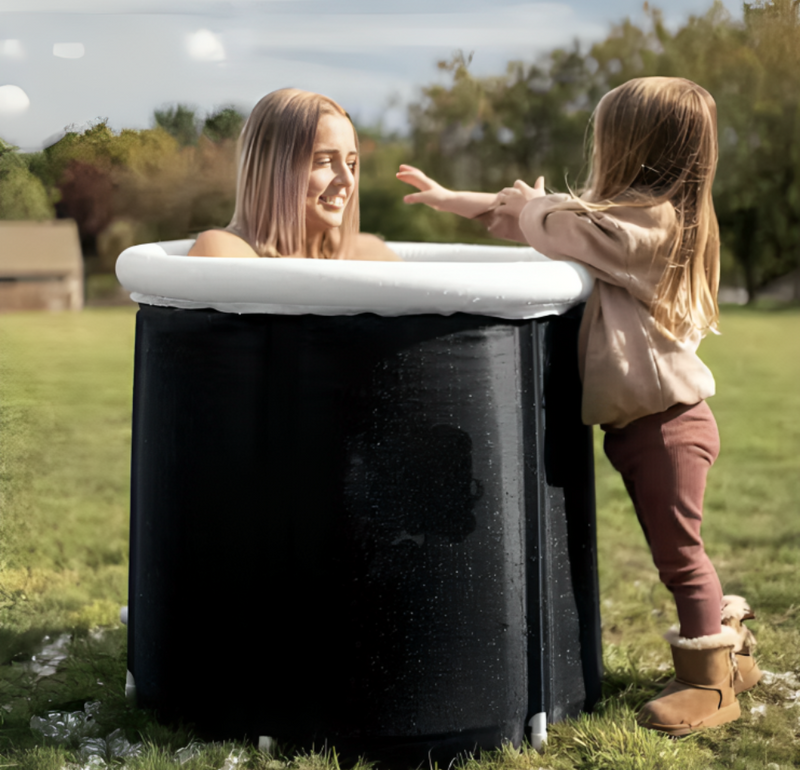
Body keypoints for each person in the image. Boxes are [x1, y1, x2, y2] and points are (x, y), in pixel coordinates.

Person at [396, 76, 761, 736]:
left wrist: (532, 207)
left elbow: (552, 220)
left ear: (633, 146)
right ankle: (728, 636)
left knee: (680, 556)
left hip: (668, 426)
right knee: (675, 550)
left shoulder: (653, 227)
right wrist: (459, 201)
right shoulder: (612, 223)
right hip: (643, 425)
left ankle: (710, 687)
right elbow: (544, 219)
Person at [189, 88, 400, 261]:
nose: (348, 179)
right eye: (324, 161)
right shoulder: (222, 251)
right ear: (269, 168)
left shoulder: (371, 253)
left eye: (352, 164)